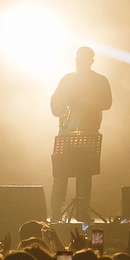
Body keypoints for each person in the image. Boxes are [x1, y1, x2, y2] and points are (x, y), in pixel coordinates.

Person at [49, 46, 114, 217]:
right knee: (61, 173)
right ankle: (56, 214)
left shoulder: (100, 80)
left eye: (83, 58)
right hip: (66, 132)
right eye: (78, 58)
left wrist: (84, 102)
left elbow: (107, 103)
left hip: (88, 131)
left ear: (91, 61)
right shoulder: (67, 79)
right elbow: (55, 104)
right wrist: (62, 107)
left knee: (84, 174)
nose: (79, 61)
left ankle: (82, 213)